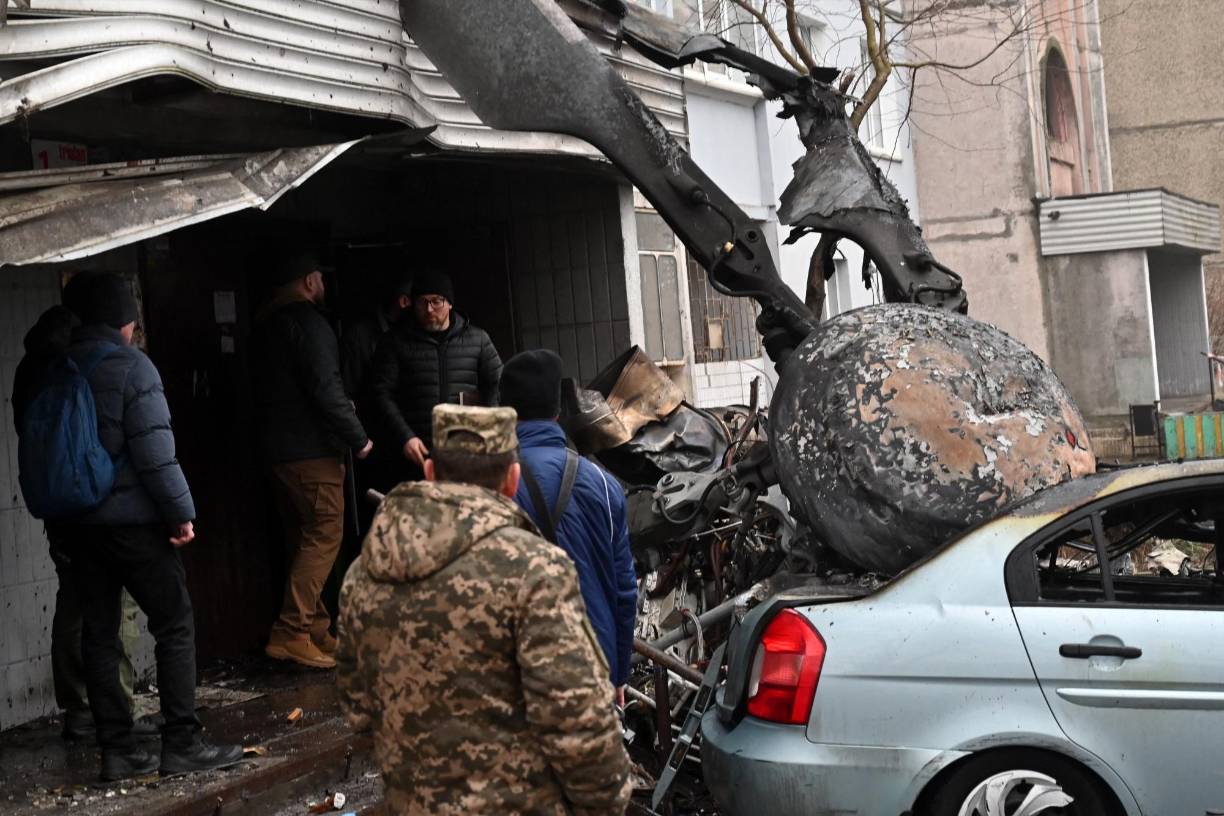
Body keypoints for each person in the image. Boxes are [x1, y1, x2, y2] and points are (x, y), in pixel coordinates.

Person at [336, 405, 633, 815]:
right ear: (512, 481)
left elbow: (356, 707)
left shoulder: (364, 573)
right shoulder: (535, 569)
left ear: (430, 473)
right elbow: (577, 720)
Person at [52, 273, 242, 781]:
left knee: (99, 632)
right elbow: (156, 454)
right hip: (134, 524)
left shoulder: (59, 366)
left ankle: (116, 750)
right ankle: (182, 741)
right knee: (174, 622)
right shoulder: (133, 368)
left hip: (77, 524)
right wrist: (181, 513)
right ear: (125, 320)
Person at [11, 303, 148, 742]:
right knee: (117, 604)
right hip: (92, 500)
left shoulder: (29, 372)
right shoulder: (76, 367)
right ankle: (118, 709)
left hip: (54, 504)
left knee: (72, 602)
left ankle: (79, 707)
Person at [250, 251, 373, 670]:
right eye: (319, 277)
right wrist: (358, 438)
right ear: (308, 281)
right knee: (324, 535)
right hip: (310, 450)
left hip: (277, 452)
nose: (323, 284)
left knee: (302, 539)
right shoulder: (309, 325)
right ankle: (291, 632)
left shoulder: (265, 324)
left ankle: (318, 627)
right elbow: (326, 387)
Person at [498, 349, 638, 705]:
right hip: (592, 668)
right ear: (559, 411)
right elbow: (624, 592)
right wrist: (619, 674)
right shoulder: (605, 486)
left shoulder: (488, 487)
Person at [369, 270, 502, 480]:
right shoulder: (395, 342)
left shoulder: (478, 340)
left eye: (436, 301)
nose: (429, 309)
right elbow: (380, 393)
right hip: (417, 456)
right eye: (422, 302)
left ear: (449, 303)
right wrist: (405, 437)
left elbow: (497, 384)